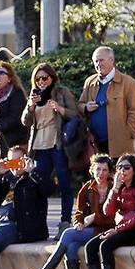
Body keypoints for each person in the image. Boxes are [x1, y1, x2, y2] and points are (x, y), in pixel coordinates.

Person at [27, 154, 115, 269]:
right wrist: (79, 222)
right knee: (72, 247)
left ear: (109, 172)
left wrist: (95, 218)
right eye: (98, 169)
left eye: (104, 170)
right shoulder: (87, 188)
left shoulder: (114, 187)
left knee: (68, 234)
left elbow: (115, 216)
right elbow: (79, 212)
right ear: (92, 170)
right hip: (90, 230)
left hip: (107, 229)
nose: (101, 173)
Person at [23, 62, 80, 225]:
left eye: (44, 78)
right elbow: (25, 122)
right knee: (39, 184)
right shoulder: (33, 96)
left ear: (52, 77)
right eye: (37, 79)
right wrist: (30, 106)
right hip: (39, 147)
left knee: (64, 184)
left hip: (58, 145)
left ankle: (65, 221)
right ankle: (39, 222)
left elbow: (75, 114)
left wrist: (60, 109)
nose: (41, 81)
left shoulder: (62, 92)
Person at [76, 46, 135, 158]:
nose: (98, 64)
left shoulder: (128, 82)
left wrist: (128, 133)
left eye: (101, 60)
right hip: (95, 143)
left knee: (118, 174)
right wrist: (86, 108)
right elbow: (79, 105)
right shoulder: (90, 82)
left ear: (112, 60)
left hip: (119, 144)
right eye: (96, 61)